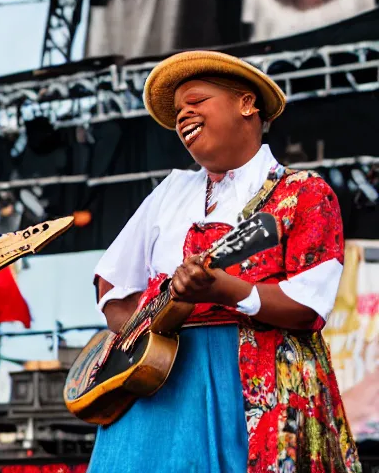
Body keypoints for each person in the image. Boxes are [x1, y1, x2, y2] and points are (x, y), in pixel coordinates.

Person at [88, 50, 360, 472]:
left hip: (256, 385)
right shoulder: (170, 191)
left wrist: (227, 290)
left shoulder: (303, 193)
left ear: (246, 103)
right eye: (178, 110)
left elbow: (309, 305)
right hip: (159, 383)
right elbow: (111, 281)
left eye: (196, 101)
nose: (184, 115)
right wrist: (141, 338)